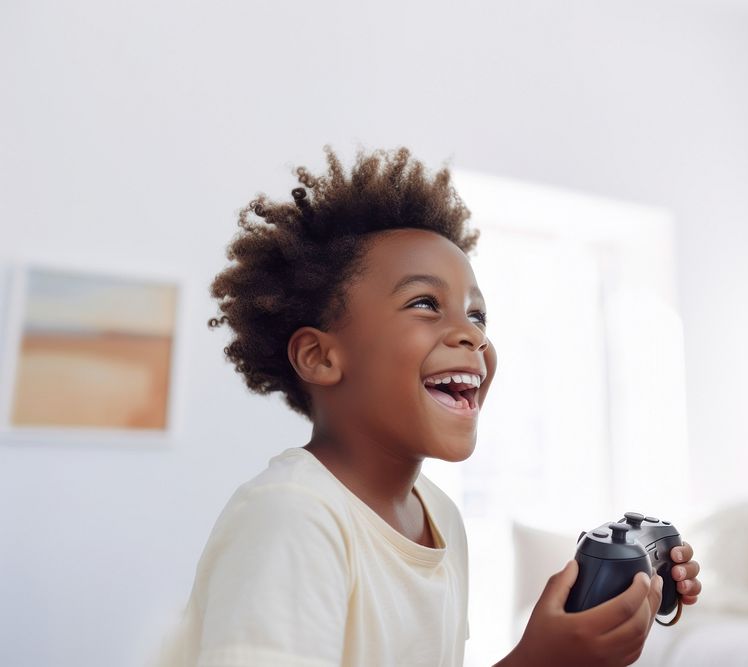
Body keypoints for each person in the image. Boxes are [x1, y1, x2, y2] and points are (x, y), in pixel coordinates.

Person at [154, 147, 702, 667]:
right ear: (321, 356)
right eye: (424, 304)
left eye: (477, 315)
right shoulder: (292, 516)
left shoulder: (439, 517)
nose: (469, 334)